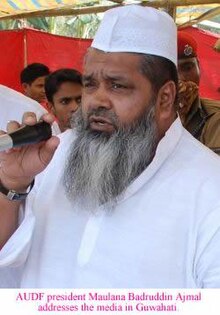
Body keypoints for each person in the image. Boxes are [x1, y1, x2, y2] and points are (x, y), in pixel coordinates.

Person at [0, 5, 220, 289]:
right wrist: (12, 185)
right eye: (90, 85)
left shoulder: (210, 188)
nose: (96, 101)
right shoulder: (53, 154)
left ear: (165, 98)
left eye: (117, 86)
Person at [177, 31, 220, 154]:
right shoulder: (143, 116)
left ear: (199, 67)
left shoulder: (216, 117)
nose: (180, 78)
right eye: (170, 70)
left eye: (187, 67)